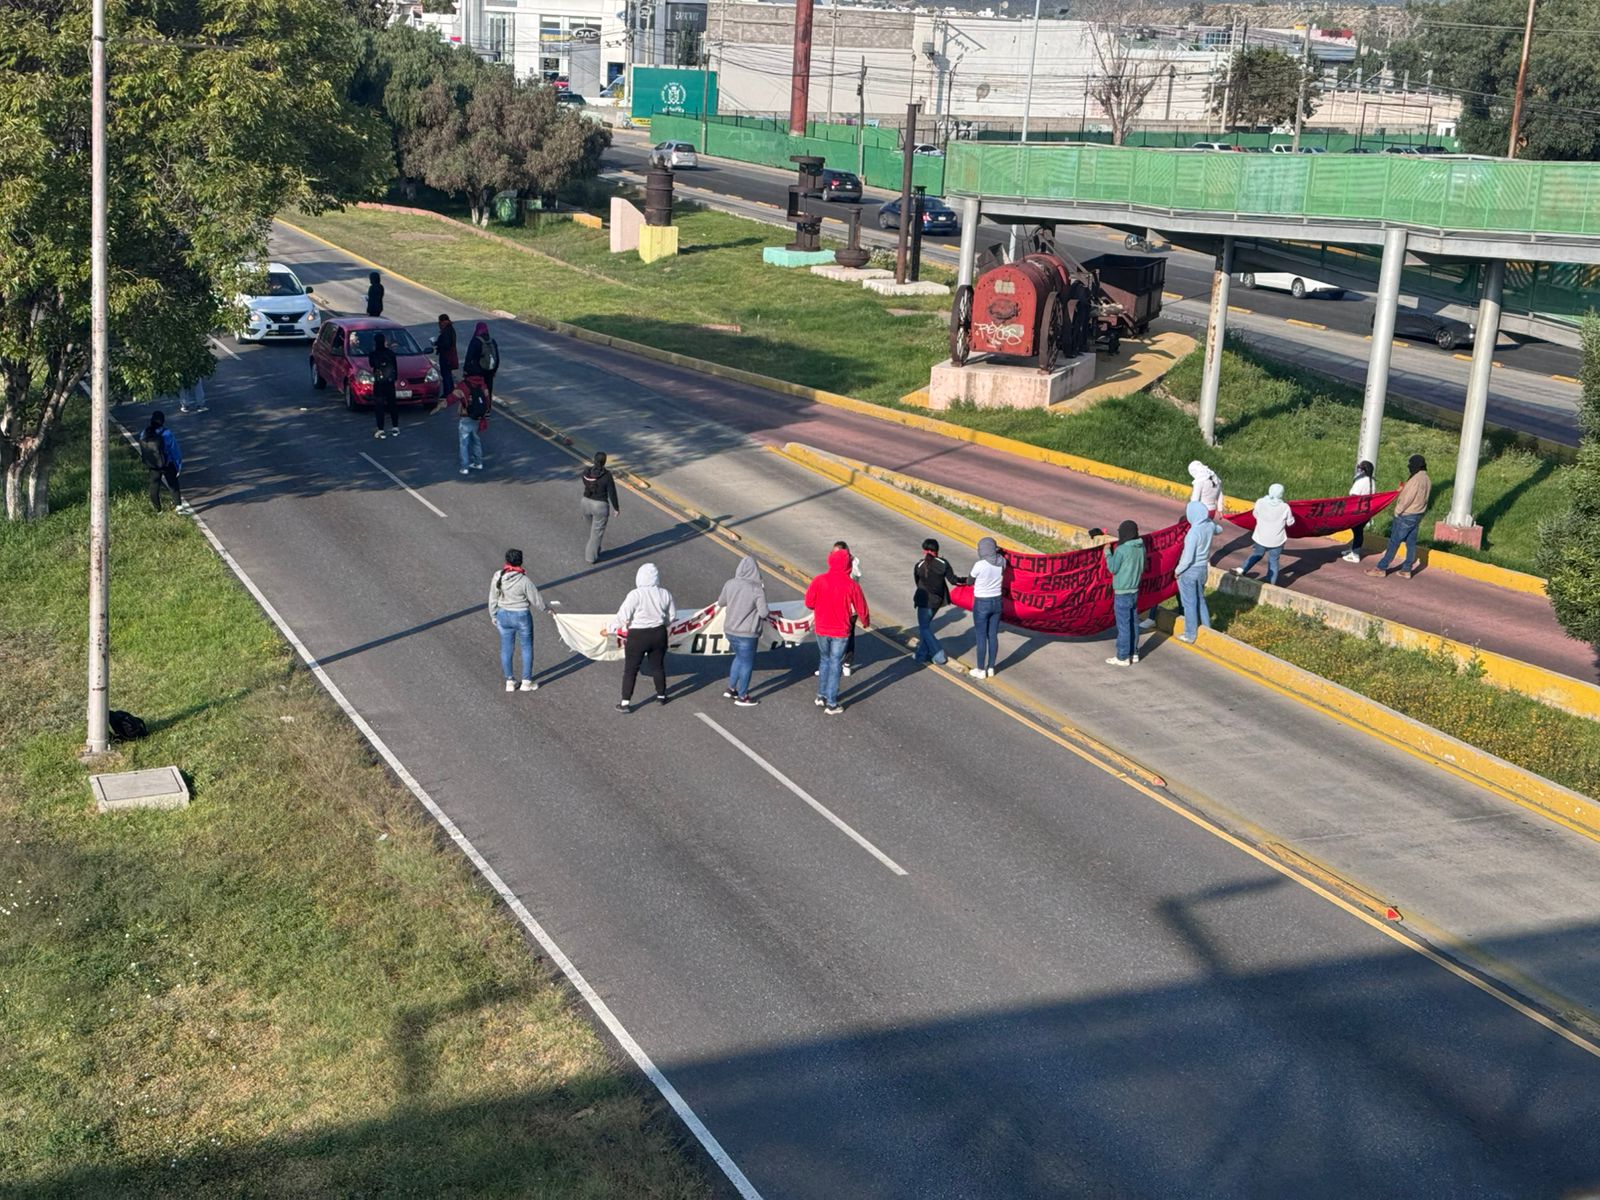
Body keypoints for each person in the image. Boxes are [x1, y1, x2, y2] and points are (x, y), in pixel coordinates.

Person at [804, 546, 870, 715]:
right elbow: (862, 607)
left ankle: (821, 695)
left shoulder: (819, 580)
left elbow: (809, 603)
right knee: (835, 663)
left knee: (824, 659)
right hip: (840, 630)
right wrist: (866, 621)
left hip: (821, 628)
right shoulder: (852, 585)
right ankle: (832, 703)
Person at [488, 549, 551, 692]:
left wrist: (493, 615)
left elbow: (493, 598)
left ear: (506, 561)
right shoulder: (524, 580)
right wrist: (547, 609)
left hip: (503, 615)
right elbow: (536, 600)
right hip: (522, 616)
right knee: (526, 647)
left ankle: (510, 681)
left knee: (506, 649)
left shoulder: (498, 576)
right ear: (520, 562)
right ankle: (526, 682)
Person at [614, 563, 674, 711]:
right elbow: (672, 616)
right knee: (658, 666)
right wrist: (663, 624)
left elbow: (623, 616)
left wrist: (609, 628)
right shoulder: (665, 593)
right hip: (658, 633)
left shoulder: (635, 594)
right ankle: (661, 696)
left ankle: (625, 702)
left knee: (631, 670)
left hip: (638, 635)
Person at [1368, 454, 1432, 579]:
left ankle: (1381, 568)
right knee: (1411, 543)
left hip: (1406, 515)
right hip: (1417, 514)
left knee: (1394, 541)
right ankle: (1406, 570)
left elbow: (1408, 498)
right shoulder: (1427, 479)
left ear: (1415, 466)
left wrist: (1398, 510)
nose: (1409, 467)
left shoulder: (1416, 480)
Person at [718, 555, 769, 707]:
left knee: (739, 658)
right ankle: (742, 695)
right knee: (747, 663)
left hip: (730, 629)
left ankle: (731, 688)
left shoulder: (730, 583)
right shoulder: (756, 588)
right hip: (747, 633)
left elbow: (721, 602)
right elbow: (764, 612)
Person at [912, 538, 969, 666]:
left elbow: (917, 582)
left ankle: (939, 654)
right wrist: (968, 580)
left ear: (924, 550)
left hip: (923, 601)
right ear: (937, 551)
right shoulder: (943, 563)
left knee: (924, 628)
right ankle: (921, 655)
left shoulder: (919, 566)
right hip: (937, 601)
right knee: (925, 628)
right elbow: (954, 580)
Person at [1173, 501, 1217, 643]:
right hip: (1203, 569)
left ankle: (1190, 634)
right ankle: (1207, 629)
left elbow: (1187, 558)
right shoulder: (1209, 526)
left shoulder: (1193, 533)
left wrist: (1177, 571)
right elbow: (1219, 529)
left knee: (1189, 604)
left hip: (1189, 571)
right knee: (1201, 600)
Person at [1103, 520, 1146, 667]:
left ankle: (1122, 656)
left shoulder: (1121, 550)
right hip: (1135, 591)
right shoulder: (1141, 547)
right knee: (1133, 623)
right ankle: (1134, 653)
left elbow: (1113, 568)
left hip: (1122, 592)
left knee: (1123, 626)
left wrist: (1107, 552)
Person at [1235, 483, 1296, 586]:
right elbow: (1290, 523)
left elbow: (1255, 514)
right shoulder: (1285, 507)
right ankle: (1270, 584)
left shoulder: (1260, 502)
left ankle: (1242, 569)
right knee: (1273, 561)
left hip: (1260, 537)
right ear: (1281, 494)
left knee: (1257, 554)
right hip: (1277, 540)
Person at [139, 411, 191, 515]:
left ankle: (158, 510)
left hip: (153, 464)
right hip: (167, 463)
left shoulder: (144, 433)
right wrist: (178, 465)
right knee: (173, 484)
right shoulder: (167, 433)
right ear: (163, 421)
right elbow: (175, 451)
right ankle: (179, 507)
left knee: (154, 485)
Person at [968, 536, 1005, 678]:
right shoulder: (1002, 562)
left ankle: (980, 669)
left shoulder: (979, 565)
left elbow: (970, 580)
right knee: (993, 636)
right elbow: (1000, 557)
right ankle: (991, 667)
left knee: (981, 636)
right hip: (997, 602)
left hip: (982, 603)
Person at [580, 452, 620, 563]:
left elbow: (585, 482)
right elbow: (612, 493)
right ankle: (590, 557)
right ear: (604, 462)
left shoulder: (586, 472)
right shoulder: (607, 476)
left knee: (593, 531)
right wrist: (616, 508)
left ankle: (595, 549)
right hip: (600, 506)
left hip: (585, 503)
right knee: (596, 534)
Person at [835, 540, 863, 676]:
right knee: (841, 635)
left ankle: (844, 662)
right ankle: (839, 663)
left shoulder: (851, 567)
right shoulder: (850, 564)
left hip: (848, 608)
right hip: (844, 607)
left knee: (845, 635)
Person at [455, 375, 490, 475]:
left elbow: (460, 399)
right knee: (476, 440)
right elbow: (486, 399)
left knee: (464, 443)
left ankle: (464, 467)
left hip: (466, 417)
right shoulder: (482, 385)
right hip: (477, 417)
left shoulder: (464, 385)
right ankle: (478, 462)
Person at [1342, 460, 1376, 563]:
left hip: (1357, 510)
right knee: (1357, 531)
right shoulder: (1372, 481)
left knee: (1357, 531)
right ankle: (1353, 549)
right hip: (1367, 511)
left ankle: (1355, 554)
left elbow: (1354, 494)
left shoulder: (1361, 481)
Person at [369, 331, 399, 439]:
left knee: (379, 406)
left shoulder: (373, 354)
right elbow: (395, 367)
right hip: (389, 382)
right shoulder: (390, 353)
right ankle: (395, 427)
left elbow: (372, 364)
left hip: (379, 383)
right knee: (393, 405)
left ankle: (381, 429)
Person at [464, 320, 500, 401]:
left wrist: (466, 370)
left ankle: (479, 408)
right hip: (490, 370)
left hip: (478, 370)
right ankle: (488, 409)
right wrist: (494, 370)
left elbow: (469, 357)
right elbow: (497, 357)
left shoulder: (476, 341)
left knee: (478, 390)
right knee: (488, 389)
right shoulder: (492, 341)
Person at [434, 314, 458, 399]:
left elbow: (446, 344)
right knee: (448, 373)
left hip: (446, 355)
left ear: (443, 322)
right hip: (450, 355)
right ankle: (451, 390)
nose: (439, 325)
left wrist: (437, 343)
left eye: (440, 322)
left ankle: (447, 392)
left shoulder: (446, 331)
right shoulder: (450, 329)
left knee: (445, 374)